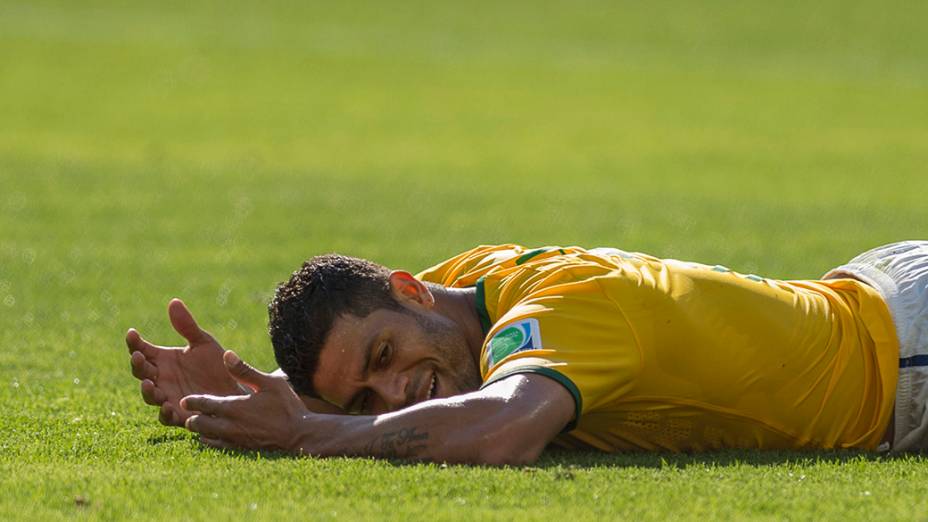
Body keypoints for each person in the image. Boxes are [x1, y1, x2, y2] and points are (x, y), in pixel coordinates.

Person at [125, 241, 928, 465]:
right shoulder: (459, 296)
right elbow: (410, 398)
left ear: (408, 292)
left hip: (908, 358)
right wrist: (253, 390)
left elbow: (498, 431)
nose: (398, 393)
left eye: (384, 356)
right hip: (880, 301)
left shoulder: (563, 309)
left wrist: (306, 434)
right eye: (365, 396)